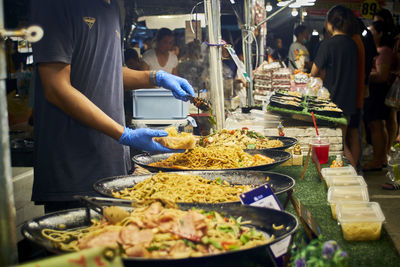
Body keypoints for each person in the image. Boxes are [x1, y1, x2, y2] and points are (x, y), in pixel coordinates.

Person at [31, 0, 195, 213]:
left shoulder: (113, 8)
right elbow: (56, 88)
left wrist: (155, 77)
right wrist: (123, 133)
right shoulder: (54, 5)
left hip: (112, 166)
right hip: (73, 169)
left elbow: (113, 71)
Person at [311, 5, 358, 168]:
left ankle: (354, 180)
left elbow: (313, 72)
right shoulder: (353, 45)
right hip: (349, 103)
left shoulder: (327, 45)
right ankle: (353, 178)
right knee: (342, 144)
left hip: (332, 104)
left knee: (339, 147)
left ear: (330, 23)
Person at [363, 20, 395, 171]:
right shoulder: (381, 49)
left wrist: (364, 75)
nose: (370, 34)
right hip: (377, 91)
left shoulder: (383, 51)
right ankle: (381, 158)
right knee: (378, 125)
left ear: (380, 33)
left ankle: (377, 160)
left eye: (373, 31)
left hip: (377, 92)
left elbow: (382, 75)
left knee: (376, 125)